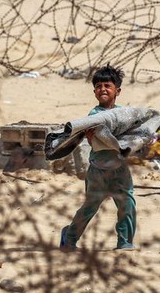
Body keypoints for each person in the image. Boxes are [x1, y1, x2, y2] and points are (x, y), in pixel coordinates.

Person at [59, 64, 137, 251]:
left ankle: (125, 241)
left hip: (120, 169)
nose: (103, 89)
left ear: (117, 91)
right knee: (90, 207)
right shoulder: (94, 116)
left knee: (127, 205)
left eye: (107, 86)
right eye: (99, 86)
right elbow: (97, 136)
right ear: (94, 91)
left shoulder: (123, 114)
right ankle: (69, 237)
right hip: (98, 170)